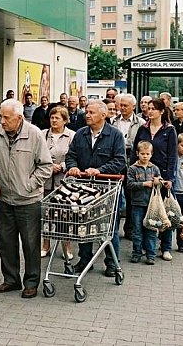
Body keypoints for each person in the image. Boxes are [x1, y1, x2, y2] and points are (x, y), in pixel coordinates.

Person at [0, 99, 53, 299]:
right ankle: (11, 279)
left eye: (7, 117)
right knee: (5, 242)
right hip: (5, 199)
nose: (3, 121)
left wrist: (29, 185)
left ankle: (31, 282)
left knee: (30, 243)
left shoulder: (34, 134)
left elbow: (46, 166)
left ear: (19, 117)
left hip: (29, 201)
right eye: (1, 116)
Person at [65, 100, 127, 277]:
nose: (88, 115)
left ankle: (112, 263)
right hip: (84, 189)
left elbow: (120, 161)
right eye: (87, 112)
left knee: (109, 227)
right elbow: (71, 155)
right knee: (84, 224)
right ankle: (85, 260)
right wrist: (73, 167)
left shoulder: (115, 135)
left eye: (91, 112)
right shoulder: (80, 134)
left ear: (103, 114)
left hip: (107, 187)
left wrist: (100, 170)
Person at [130, 98, 177, 262]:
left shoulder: (169, 130)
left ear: (161, 111)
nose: (149, 111)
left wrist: (170, 177)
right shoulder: (143, 128)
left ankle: (165, 247)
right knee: (145, 212)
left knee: (163, 212)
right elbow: (135, 150)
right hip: (143, 175)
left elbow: (172, 155)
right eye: (148, 108)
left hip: (161, 176)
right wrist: (132, 168)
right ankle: (144, 247)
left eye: (153, 109)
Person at [40, 106, 75, 260]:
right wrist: (48, 166)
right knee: (46, 214)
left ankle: (67, 245)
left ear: (65, 120)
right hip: (45, 181)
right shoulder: (42, 135)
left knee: (65, 215)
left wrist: (63, 166)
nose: (53, 120)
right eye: (52, 117)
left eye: (57, 118)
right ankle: (45, 244)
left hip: (64, 182)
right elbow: (37, 155)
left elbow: (74, 156)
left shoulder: (72, 136)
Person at [112, 94, 145, 240]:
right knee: (116, 197)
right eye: (121, 105)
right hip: (117, 164)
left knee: (132, 197)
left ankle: (130, 229)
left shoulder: (141, 123)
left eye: (126, 106)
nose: (122, 108)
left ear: (133, 106)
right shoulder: (113, 121)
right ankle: (114, 228)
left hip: (133, 164)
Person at [126, 141, 164, 265]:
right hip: (137, 204)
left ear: (151, 154)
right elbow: (129, 184)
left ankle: (150, 254)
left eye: (147, 154)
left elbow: (160, 183)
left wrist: (160, 182)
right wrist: (143, 184)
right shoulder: (132, 168)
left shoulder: (155, 168)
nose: (145, 156)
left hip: (151, 205)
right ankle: (137, 252)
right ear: (137, 154)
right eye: (142, 153)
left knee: (151, 229)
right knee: (137, 230)